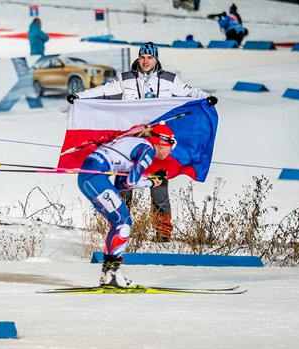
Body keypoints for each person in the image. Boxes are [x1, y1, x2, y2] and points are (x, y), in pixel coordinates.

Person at [67, 42, 218, 242]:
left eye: (150, 57)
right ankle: (119, 227)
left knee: (159, 188)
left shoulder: (170, 80)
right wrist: (79, 96)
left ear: (156, 59)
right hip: (132, 144)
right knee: (124, 186)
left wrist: (206, 98)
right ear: (138, 58)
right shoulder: (126, 79)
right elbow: (102, 91)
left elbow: (191, 92)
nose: (146, 61)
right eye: (142, 57)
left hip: (157, 145)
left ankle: (163, 235)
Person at [78, 124, 175, 287]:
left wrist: (150, 181)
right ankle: (111, 274)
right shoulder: (148, 149)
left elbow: (123, 184)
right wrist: (151, 181)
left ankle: (109, 274)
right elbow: (131, 181)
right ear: (163, 143)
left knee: (119, 222)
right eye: (172, 146)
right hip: (95, 178)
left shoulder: (138, 145)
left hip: (90, 178)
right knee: (123, 223)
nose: (171, 151)